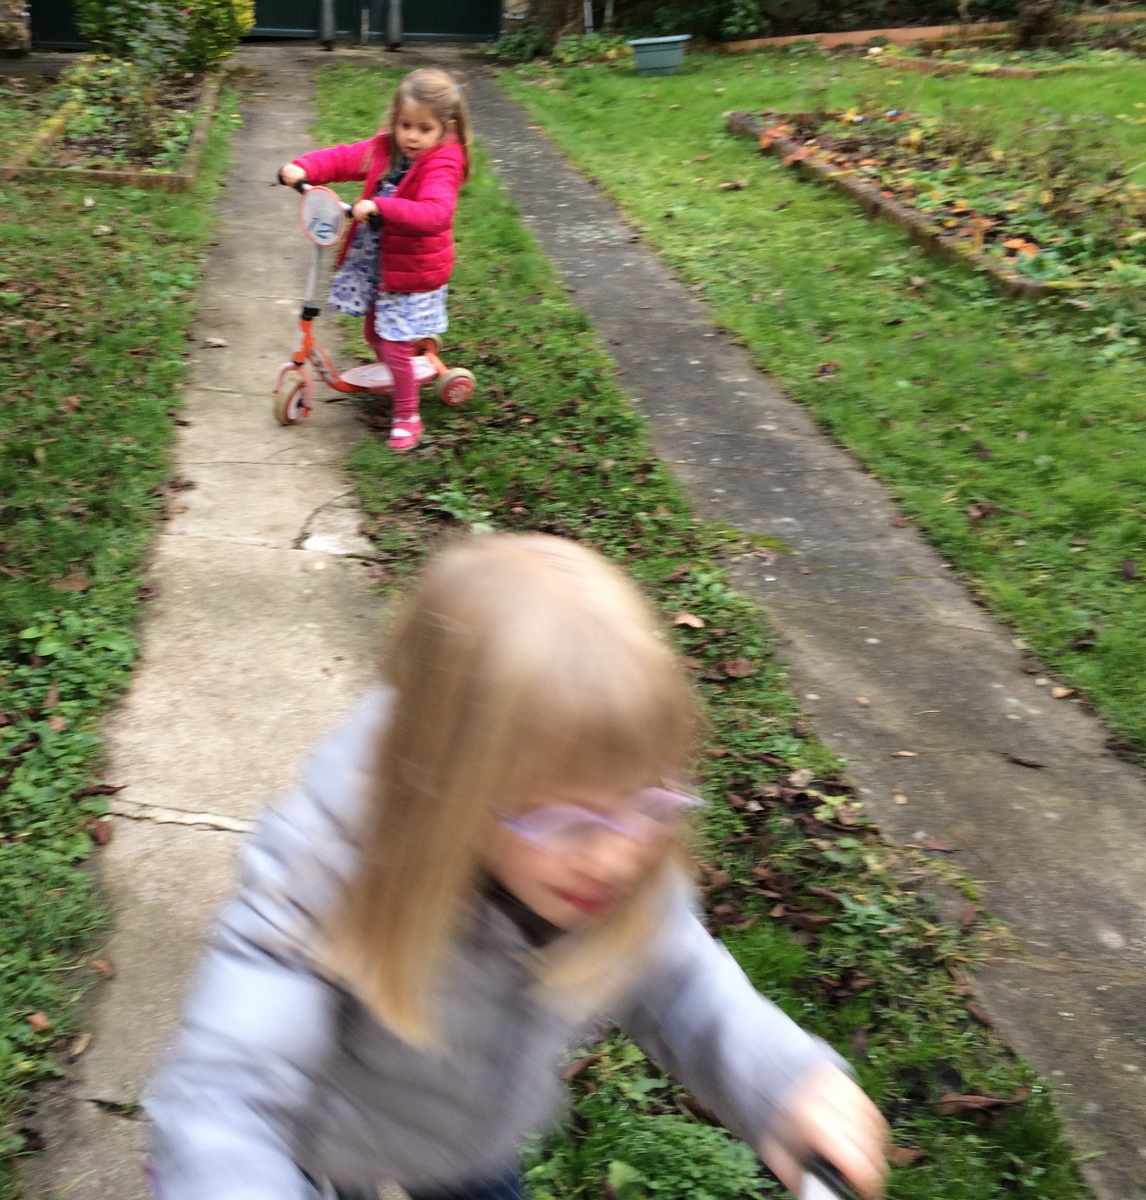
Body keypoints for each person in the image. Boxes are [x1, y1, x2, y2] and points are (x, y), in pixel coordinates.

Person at [146, 534, 890, 1200]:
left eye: (650, 802)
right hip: (322, 1132)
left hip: (470, 1142)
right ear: (448, 796)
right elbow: (228, 1092)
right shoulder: (327, 869)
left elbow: (678, 981)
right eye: (567, 821)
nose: (615, 854)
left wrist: (780, 1080)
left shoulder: (618, 849)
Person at [278, 67, 470, 452]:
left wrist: (384, 207)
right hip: (383, 262)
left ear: (446, 128)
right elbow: (347, 158)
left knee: (393, 342)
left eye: (424, 129)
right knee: (374, 332)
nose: (411, 136)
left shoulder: (444, 163)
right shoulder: (389, 148)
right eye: (405, 125)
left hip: (413, 267)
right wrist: (305, 167)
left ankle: (407, 415)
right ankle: (407, 368)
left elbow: (436, 213)